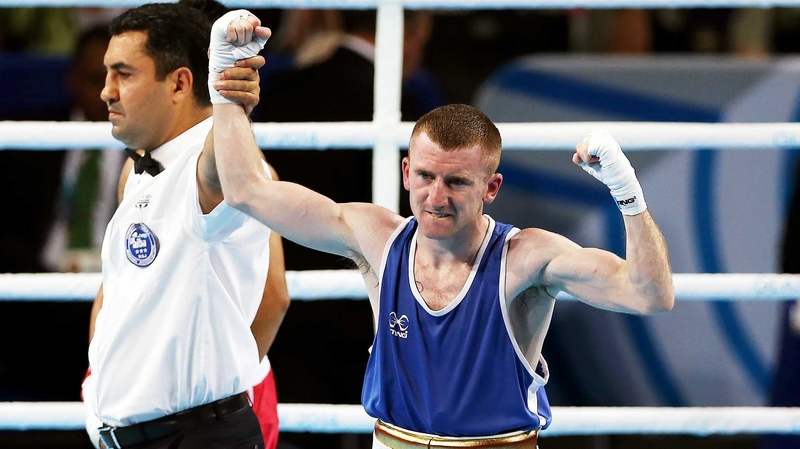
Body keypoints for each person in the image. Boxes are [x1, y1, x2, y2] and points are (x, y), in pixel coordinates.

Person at [210, 13, 674, 448]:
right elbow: (246, 190)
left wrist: (628, 194)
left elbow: (650, 295)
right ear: (406, 172)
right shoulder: (375, 237)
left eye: (456, 182)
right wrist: (225, 93)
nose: (436, 198)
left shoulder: (526, 257)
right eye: (427, 177)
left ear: (491, 187)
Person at [83, 4, 288, 449]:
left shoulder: (218, 168)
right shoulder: (139, 167)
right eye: (106, 74)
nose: (106, 92)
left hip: (193, 433)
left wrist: (230, 100)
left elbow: (273, 298)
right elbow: (117, 291)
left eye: (124, 74)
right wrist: (102, 382)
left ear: (179, 83)